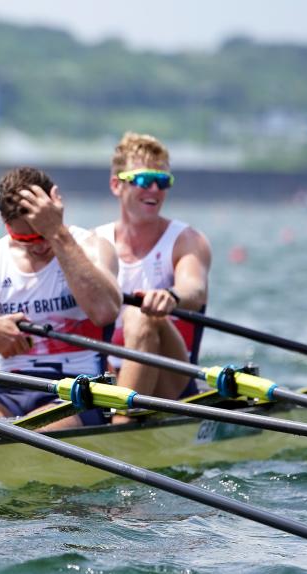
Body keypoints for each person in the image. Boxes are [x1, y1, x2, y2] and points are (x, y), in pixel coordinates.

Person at [0, 166, 121, 434]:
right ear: (3, 221)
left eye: (42, 235)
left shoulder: (92, 247)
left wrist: (57, 233)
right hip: (10, 388)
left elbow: (105, 312)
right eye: (24, 238)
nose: (39, 246)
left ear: (56, 203)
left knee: (33, 435)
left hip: (79, 387)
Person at [94, 132, 212, 400]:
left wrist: (171, 296)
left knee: (141, 315)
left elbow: (194, 288)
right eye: (145, 180)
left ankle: (121, 425)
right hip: (106, 372)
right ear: (116, 185)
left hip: (172, 379)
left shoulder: (187, 241)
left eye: (162, 181)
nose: (155, 190)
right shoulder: (93, 243)